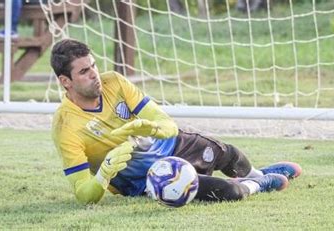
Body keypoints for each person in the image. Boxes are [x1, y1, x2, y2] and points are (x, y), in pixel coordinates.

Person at [50, 39, 302, 204]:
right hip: (149, 178)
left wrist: (154, 128)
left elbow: (167, 123)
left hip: (170, 144)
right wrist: (104, 173)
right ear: (65, 81)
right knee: (229, 192)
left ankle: (256, 174)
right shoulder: (66, 126)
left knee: (229, 154)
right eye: (84, 71)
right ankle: (260, 183)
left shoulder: (113, 81)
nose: (95, 75)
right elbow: (84, 195)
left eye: (93, 65)